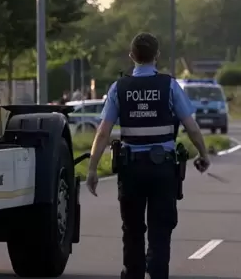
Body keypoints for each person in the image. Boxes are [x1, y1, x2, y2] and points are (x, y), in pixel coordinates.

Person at [86, 32, 210, 279]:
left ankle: (133, 274)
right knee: (160, 230)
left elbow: (103, 133)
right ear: (158, 56)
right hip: (162, 170)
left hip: (131, 170)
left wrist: (92, 168)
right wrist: (203, 154)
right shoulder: (169, 86)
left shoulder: (118, 88)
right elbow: (192, 127)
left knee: (132, 229)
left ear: (132, 56)